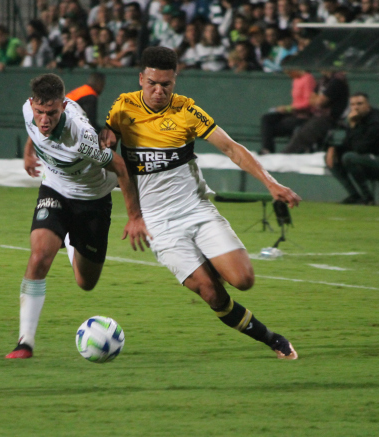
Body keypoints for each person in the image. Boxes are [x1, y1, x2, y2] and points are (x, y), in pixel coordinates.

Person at [100, 47, 302, 360]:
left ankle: (208, 264)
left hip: (196, 210)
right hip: (158, 224)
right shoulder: (123, 107)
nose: (158, 90)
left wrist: (271, 183)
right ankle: (272, 339)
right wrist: (108, 137)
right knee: (213, 294)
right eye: (152, 82)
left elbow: (232, 148)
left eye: (166, 84)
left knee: (244, 280)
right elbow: (108, 135)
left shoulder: (187, 112)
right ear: (141, 79)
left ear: (175, 81)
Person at [6, 73, 148, 359]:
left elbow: (121, 168)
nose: (44, 120)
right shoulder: (28, 110)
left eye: (52, 113)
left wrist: (134, 217)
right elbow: (34, 131)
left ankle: (69, 238)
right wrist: (28, 153)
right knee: (39, 256)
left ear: (63, 105)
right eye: (40, 112)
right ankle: (25, 343)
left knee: (86, 282)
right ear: (32, 104)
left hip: (92, 199)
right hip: (55, 188)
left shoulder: (81, 138)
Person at [325, 92, 379, 205]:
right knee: (333, 158)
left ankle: (367, 198)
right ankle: (355, 195)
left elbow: (360, 148)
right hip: (366, 160)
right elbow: (348, 145)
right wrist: (333, 149)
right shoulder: (357, 121)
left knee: (349, 157)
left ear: (367, 105)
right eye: (353, 104)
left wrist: (352, 126)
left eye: (359, 104)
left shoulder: (376, 123)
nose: (356, 107)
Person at [283, 70, 350, 154]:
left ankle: (286, 155)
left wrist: (318, 100)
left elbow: (320, 102)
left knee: (303, 135)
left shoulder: (337, 81)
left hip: (330, 118)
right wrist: (318, 99)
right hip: (315, 115)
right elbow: (311, 99)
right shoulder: (323, 80)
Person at [260, 64, 317, 154]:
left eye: (289, 72)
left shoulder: (307, 78)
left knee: (283, 124)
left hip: (302, 115)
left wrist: (288, 108)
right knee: (267, 118)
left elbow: (308, 103)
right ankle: (267, 149)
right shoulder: (295, 80)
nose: (288, 75)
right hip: (292, 111)